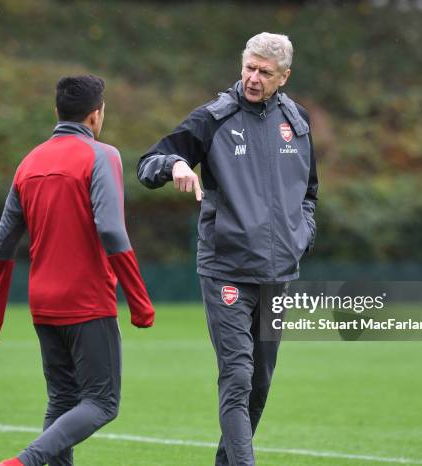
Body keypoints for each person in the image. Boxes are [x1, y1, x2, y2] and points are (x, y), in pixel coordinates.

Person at [137, 32, 318, 466]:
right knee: (237, 377)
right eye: (248, 68)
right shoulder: (212, 119)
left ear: (284, 77)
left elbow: (309, 193)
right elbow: (148, 163)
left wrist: (301, 235)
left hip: (279, 276)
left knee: (259, 385)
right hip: (227, 272)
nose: (253, 78)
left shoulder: (298, 122)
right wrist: (175, 164)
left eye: (265, 72)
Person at [0, 74, 155, 466]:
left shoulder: (29, 162)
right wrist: (139, 301)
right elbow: (110, 228)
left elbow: (3, 241)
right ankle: (24, 462)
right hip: (87, 301)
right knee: (102, 403)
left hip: (42, 302)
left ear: (57, 111)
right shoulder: (103, 155)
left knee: (62, 400)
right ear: (96, 115)